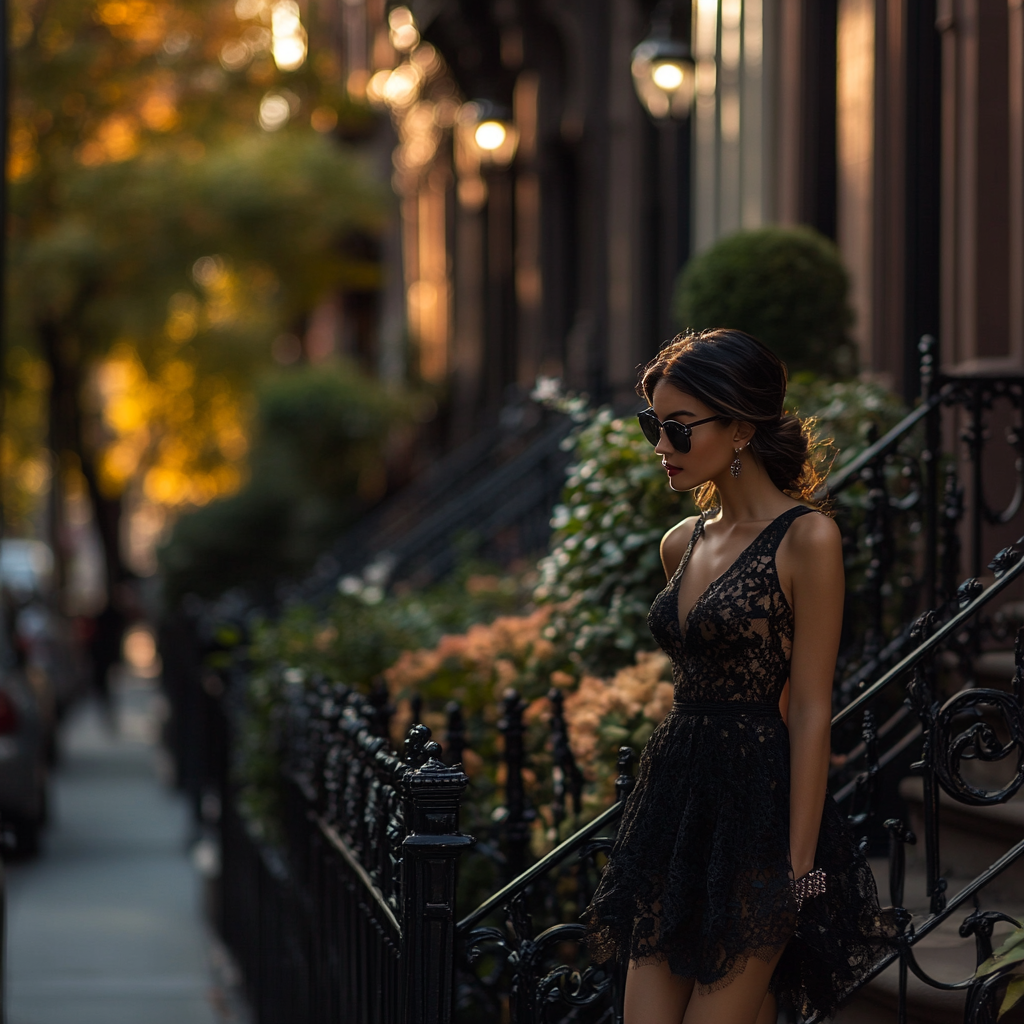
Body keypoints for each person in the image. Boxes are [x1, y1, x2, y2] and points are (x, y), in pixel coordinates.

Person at [582, 329, 892, 1023]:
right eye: (651, 426)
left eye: (677, 429)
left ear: (742, 428)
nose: (660, 446)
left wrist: (799, 866)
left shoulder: (808, 538)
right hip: (676, 804)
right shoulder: (679, 544)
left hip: (758, 812)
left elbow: (811, 705)